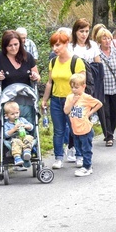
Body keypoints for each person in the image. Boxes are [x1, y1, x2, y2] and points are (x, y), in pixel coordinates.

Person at [42, 30, 85, 169]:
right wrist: (44, 99)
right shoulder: (53, 62)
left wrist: (77, 100)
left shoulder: (76, 61)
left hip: (72, 100)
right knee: (58, 130)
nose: (55, 48)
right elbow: (49, 82)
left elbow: (83, 83)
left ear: (67, 44)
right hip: (56, 100)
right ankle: (58, 157)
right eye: (53, 45)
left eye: (58, 45)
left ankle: (79, 155)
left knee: (75, 129)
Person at [64, 73, 103, 177]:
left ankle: (87, 167)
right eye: (72, 87)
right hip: (75, 128)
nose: (74, 90)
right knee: (79, 148)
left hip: (85, 128)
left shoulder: (86, 97)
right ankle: (85, 165)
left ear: (83, 86)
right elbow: (66, 111)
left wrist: (90, 113)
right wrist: (72, 102)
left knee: (86, 149)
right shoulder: (69, 97)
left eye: (76, 87)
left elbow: (99, 103)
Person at [0, 30, 41, 98]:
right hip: (6, 101)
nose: (13, 48)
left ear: (20, 43)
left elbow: (38, 77)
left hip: (26, 100)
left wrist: (35, 77)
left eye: (16, 44)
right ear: (4, 46)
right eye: (10, 45)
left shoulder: (28, 57)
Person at [2, 101, 35, 169]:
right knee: (16, 142)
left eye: (17, 113)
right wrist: (13, 129)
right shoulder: (7, 124)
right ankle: (17, 157)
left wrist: (25, 126)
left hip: (25, 136)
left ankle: (27, 152)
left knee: (29, 138)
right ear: (6, 115)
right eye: (12, 114)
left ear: (19, 112)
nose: (15, 115)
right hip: (15, 138)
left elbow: (31, 127)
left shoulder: (22, 120)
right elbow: (5, 134)